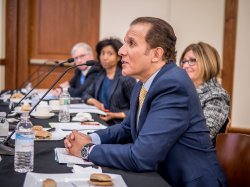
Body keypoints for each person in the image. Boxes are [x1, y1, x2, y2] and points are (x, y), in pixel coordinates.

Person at [64, 17, 227, 187]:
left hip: (189, 182)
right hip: (161, 176)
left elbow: (142, 157)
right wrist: (90, 138)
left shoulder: (173, 85)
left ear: (156, 54)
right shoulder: (142, 85)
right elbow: (127, 128)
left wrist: (87, 150)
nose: (121, 51)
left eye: (131, 43)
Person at [179, 42, 230, 142]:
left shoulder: (217, 96)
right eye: (183, 61)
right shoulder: (180, 91)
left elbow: (202, 135)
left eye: (192, 61)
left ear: (207, 62)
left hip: (195, 154)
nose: (185, 65)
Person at [82, 38, 136, 125]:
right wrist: (96, 102)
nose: (105, 57)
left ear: (118, 57)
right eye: (102, 53)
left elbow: (138, 109)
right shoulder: (100, 75)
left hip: (119, 125)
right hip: (99, 121)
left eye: (110, 54)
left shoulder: (126, 79)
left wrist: (115, 115)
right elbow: (86, 94)